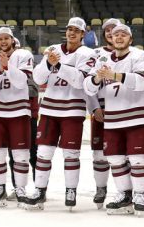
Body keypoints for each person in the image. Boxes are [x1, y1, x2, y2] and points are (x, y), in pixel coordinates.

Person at [26, 17, 95, 209]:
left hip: (73, 109)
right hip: (49, 108)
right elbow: (38, 78)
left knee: (71, 154)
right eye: (69, 29)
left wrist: (58, 66)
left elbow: (80, 81)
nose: (71, 33)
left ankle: (71, 190)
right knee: (43, 152)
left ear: (83, 34)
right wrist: (48, 64)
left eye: (76, 30)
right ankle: (40, 190)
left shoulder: (88, 54)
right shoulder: (53, 49)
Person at [83, 24, 144, 215]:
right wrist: (97, 78)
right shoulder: (102, 59)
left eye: (123, 34)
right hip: (112, 118)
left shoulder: (139, 56)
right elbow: (87, 87)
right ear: (110, 39)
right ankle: (124, 194)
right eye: (115, 35)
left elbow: (143, 81)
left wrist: (114, 75)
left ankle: (139, 195)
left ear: (130, 39)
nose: (119, 37)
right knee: (114, 158)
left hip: (136, 116)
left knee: (137, 158)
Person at [0, 27, 34, 206]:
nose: (3, 41)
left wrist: (8, 66)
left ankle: (20, 188)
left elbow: (21, 83)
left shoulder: (24, 55)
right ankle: (0, 187)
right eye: (0, 39)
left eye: (6, 38)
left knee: (21, 154)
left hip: (19, 110)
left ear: (12, 40)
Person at [87, 18, 121, 208]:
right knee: (99, 155)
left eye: (114, 29)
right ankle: (101, 188)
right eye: (107, 30)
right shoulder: (96, 54)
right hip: (100, 109)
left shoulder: (132, 54)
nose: (110, 33)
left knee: (122, 154)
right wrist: (93, 108)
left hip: (123, 108)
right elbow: (87, 85)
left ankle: (124, 191)